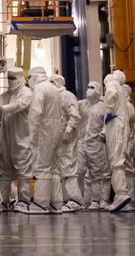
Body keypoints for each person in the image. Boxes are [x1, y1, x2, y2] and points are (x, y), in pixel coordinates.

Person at [26, 65, 64, 213]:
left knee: (41, 167)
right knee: (53, 168)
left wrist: (32, 135)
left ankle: (41, 204)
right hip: (56, 131)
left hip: (44, 131)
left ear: (34, 76)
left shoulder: (40, 89)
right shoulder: (54, 89)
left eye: (29, 78)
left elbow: (35, 113)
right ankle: (56, 203)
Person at [0, 65, 33, 212]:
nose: (10, 81)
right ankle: (3, 201)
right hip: (6, 139)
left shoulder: (27, 93)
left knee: (23, 171)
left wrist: (2, 108)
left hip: (22, 138)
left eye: (13, 78)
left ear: (20, 78)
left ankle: (24, 201)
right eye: (8, 78)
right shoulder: (5, 95)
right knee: (4, 171)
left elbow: (18, 105)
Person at [104, 70, 135, 211]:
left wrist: (109, 111)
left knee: (116, 162)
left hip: (116, 127)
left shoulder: (112, 83)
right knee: (118, 162)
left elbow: (111, 95)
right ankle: (122, 197)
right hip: (119, 127)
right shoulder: (122, 95)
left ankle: (121, 194)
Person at [53, 73, 83, 211]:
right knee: (61, 171)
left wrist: (68, 131)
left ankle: (75, 200)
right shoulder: (54, 96)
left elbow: (74, 116)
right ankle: (66, 199)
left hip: (67, 140)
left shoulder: (67, 96)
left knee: (69, 169)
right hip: (57, 140)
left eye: (52, 82)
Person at [79, 81, 110, 210]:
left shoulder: (103, 106)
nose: (89, 90)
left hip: (96, 143)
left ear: (98, 90)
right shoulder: (83, 104)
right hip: (83, 142)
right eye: (88, 87)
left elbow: (107, 123)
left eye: (92, 87)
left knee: (97, 173)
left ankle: (97, 200)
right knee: (83, 173)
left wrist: (104, 133)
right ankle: (84, 201)